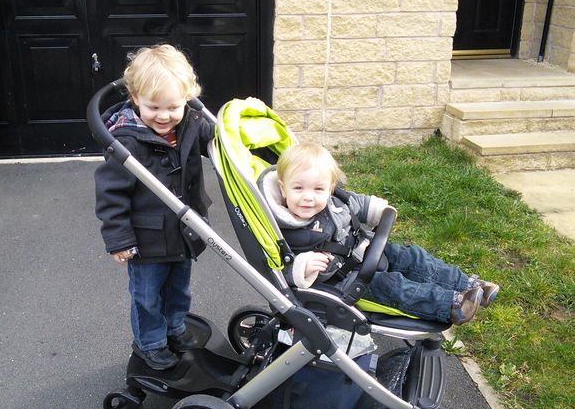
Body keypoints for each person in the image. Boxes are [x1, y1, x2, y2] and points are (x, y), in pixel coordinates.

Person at [258, 142, 499, 325]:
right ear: (283, 188)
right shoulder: (288, 228)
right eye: (298, 188)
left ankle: (469, 284)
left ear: (330, 188)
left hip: (365, 250)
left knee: (411, 257)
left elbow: (357, 203)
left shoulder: (333, 199)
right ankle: (452, 304)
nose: (308, 197)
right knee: (392, 286)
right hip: (346, 280)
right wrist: (303, 266)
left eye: (318, 189)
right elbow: (281, 269)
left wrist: (377, 209)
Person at [95, 44, 214, 370]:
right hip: (146, 240)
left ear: (187, 99)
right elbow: (111, 196)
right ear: (135, 99)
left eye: (173, 107)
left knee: (179, 289)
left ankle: (174, 328)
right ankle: (150, 343)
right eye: (153, 107)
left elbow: (211, 139)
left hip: (184, 231)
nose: (164, 116)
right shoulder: (127, 142)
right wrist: (119, 239)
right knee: (147, 297)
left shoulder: (189, 122)